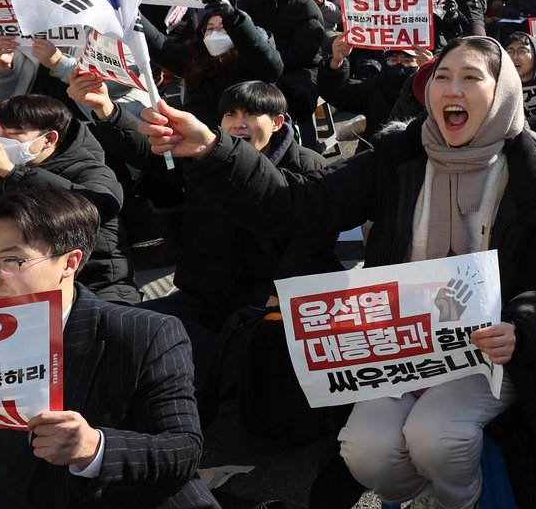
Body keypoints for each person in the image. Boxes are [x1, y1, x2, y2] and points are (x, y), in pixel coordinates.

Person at [137, 36, 536, 509]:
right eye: (442, 76)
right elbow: (296, 206)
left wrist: (521, 326)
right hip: (401, 349)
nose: (452, 89)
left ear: (502, 94)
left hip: (492, 357)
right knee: (365, 451)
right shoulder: (396, 158)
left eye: (471, 78)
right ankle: (428, 497)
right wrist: (211, 151)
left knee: (438, 434)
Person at [0, 186, 234, 509]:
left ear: (69, 263)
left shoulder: (141, 333)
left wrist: (95, 447)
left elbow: (182, 449)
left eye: (11, 261)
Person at [72, 75, 341, 371]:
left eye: (252, 115)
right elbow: (153, 155)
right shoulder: (206, 155)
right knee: (125, 330)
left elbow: (312, 244)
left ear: (277, 122)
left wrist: (279, 298)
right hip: (205, 295)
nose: (239, 124)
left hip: (273, 302)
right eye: (231, 114)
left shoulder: (307, 166)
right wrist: (108, 111)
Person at [0, 94, 137, 306]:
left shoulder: (87, 168)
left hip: (96, 285)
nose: (1, 142)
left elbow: (102, 205)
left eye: (13, 134)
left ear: (49, 138)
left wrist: (13, 173)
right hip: (15, 288)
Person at [139, 0, 283, 126]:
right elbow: (160, 46)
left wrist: (234, 19)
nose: (215, 33)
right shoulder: (194, 57)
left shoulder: (254, 53)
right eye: (210, 28)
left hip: (247, 133)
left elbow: (271, 67)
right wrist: (133, 15)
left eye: (222, 28)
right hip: (204, 139)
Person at [237, 0, 327, 151]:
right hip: (255, 69)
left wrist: (270, 62)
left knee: (283, 96)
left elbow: (306, 51)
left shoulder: (305, 4)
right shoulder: (247, 2)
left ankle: (295, 148)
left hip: (296, 71)